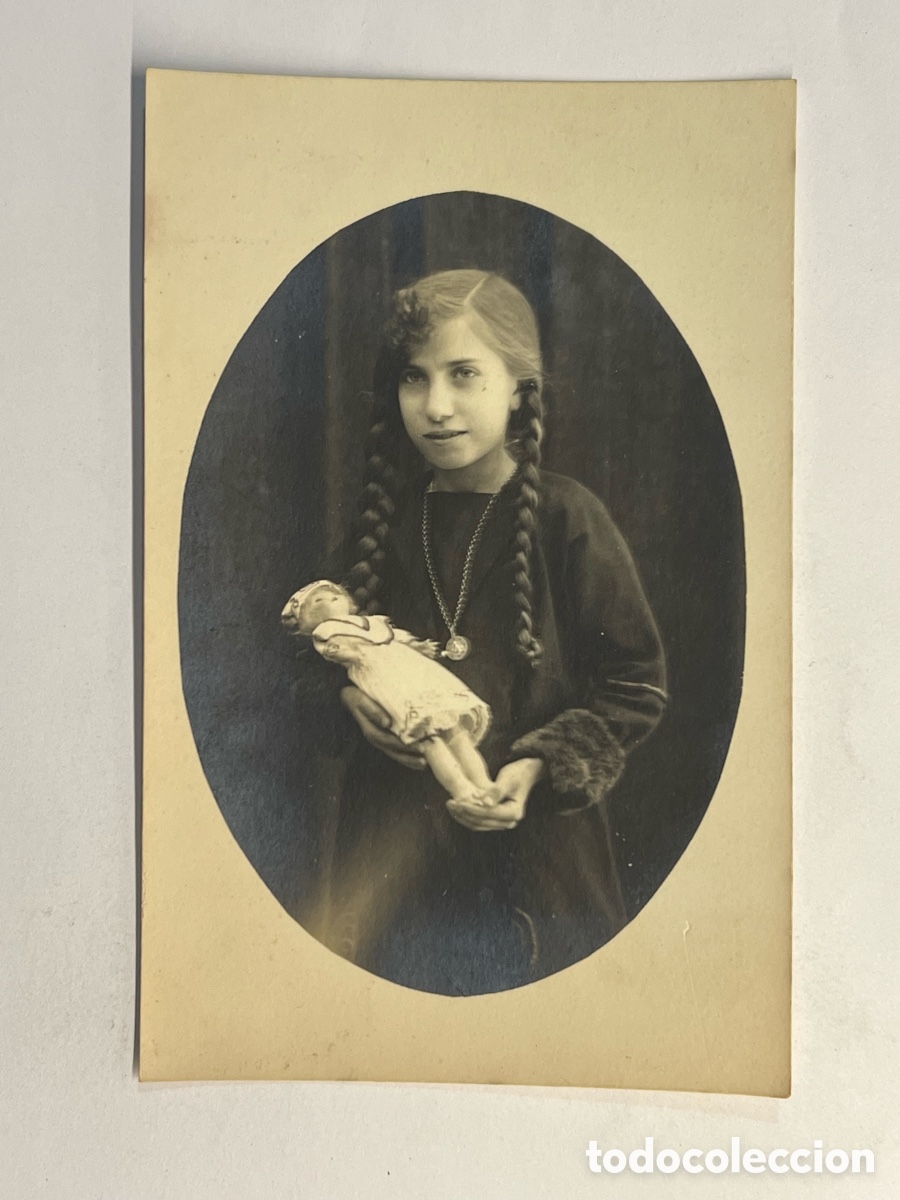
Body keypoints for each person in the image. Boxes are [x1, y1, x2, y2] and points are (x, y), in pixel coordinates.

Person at [291, 268, 667, 995]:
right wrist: (348, 706)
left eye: (465, 375)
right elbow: (314, 664)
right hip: (395, 864)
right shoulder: (386, 528)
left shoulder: (567, 518)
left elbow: (635, 686)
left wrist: (538, 767)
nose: (436, 406)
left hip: (541, 864)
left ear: (521, 388)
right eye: (414, 378)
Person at [281, 579, 497, 805]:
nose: (331, 599)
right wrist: (352, 656)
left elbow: (395, 637)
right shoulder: (327, 631)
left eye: (334, 595)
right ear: (306, 620)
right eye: (318, 601)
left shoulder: (370, 622)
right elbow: (334, 651)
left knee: (455, 731)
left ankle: (485, 785)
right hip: (382, 679)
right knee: (428, 736)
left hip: (412, 672)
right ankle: (462, 790)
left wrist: (418, 646)